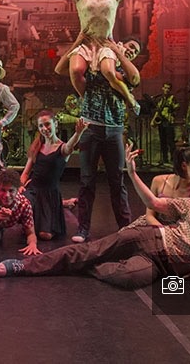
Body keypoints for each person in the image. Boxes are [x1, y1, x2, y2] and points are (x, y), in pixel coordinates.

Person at [0, 143, 190, 288]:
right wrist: (132, 173)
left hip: (165, 267)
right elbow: (153, 203)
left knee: (126, 278)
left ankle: (85, 263)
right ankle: (24, 266)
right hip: (151, 236)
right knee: (89, 251)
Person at [27, 0, 168, 114]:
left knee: (109, 71)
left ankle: (130, 100)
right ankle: (87, 101)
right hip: (86, 43)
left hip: (105, 43)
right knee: (76, 70)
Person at [55, 36, 142, 242]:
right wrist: (80, 42)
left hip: (114, 130)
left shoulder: (125, 70)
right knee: (87, 181)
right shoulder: (96, 61)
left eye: (136, 51)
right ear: (122, 43)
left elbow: (135, 79)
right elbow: (62, 69)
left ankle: (125, 227)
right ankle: (82, 229)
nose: (132, 51)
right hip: (90, 127)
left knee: (117, 180)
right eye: (130, 46)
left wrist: (118, 52)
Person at [20, 112, 88, 241]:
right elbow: (25, 173)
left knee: (45, 235)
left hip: (49, 194)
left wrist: (78, 133)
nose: (44, 129)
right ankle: (62, 204)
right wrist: (21, 186)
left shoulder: (61, 148)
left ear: (55, 124)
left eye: (47, 124)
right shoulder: (36, 147)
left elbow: (69, 147)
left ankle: (59, 205)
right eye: (41, 126)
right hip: (33, 190)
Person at [123, 146, 190, 228]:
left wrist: (168, 234)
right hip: (155, 227)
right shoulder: (158, 181)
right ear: (184, 166)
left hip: (179, 234)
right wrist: (132, 172)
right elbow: (149, 215)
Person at [153, 82, 179, 166]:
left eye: (168, 88)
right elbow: (158, 110)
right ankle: (165, 159)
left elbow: (177, 108)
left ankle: (173, 160)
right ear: (162, 88)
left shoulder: (172, 98)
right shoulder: (161, 99)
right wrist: (153, 120)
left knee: (171, 142)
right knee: (162, 141)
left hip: (168, 122)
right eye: (165, 88)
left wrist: (171, 115)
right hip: (161, 122)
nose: (167, 90)